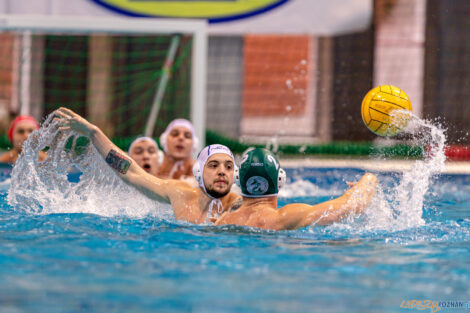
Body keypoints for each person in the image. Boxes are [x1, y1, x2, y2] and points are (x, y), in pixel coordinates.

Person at [54, 107, 241, 223]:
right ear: (199, 172)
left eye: (228, 167)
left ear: (235, 175)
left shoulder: (239, 205)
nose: (222, 172)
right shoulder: (180, 194)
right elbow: (131, 172)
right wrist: (94, 133)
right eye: (214, 165)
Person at [215, 148, 378, 230]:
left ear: (238, 179)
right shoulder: (287, 217)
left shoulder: (223, 221)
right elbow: (354, 205)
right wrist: (369, 179)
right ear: (280, 179)